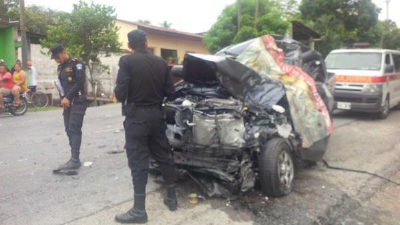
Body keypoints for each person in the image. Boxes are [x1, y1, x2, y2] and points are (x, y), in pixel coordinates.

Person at [114, 29, 177, 224]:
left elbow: (120, 93)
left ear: (130, 45)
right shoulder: (161, 63)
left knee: (138, 163)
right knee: (164, 156)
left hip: (136, 118)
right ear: (146, 43)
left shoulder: (126, 61)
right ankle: (172, 198)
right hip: (157, 117)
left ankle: (139, 211)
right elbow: (170, 91)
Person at [49, 44, 88, 170]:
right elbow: (62, 85)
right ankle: (74, 158)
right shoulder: (61, 67)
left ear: (64, 52)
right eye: (55, 58)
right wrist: (64, 99)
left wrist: (68, 97)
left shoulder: (77, 63)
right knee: (68, 129)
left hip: (78, 100)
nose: (57, 60)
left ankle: (75, 160)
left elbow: (79, 82)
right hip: (68, 102)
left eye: (58, 57)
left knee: (74, 128)